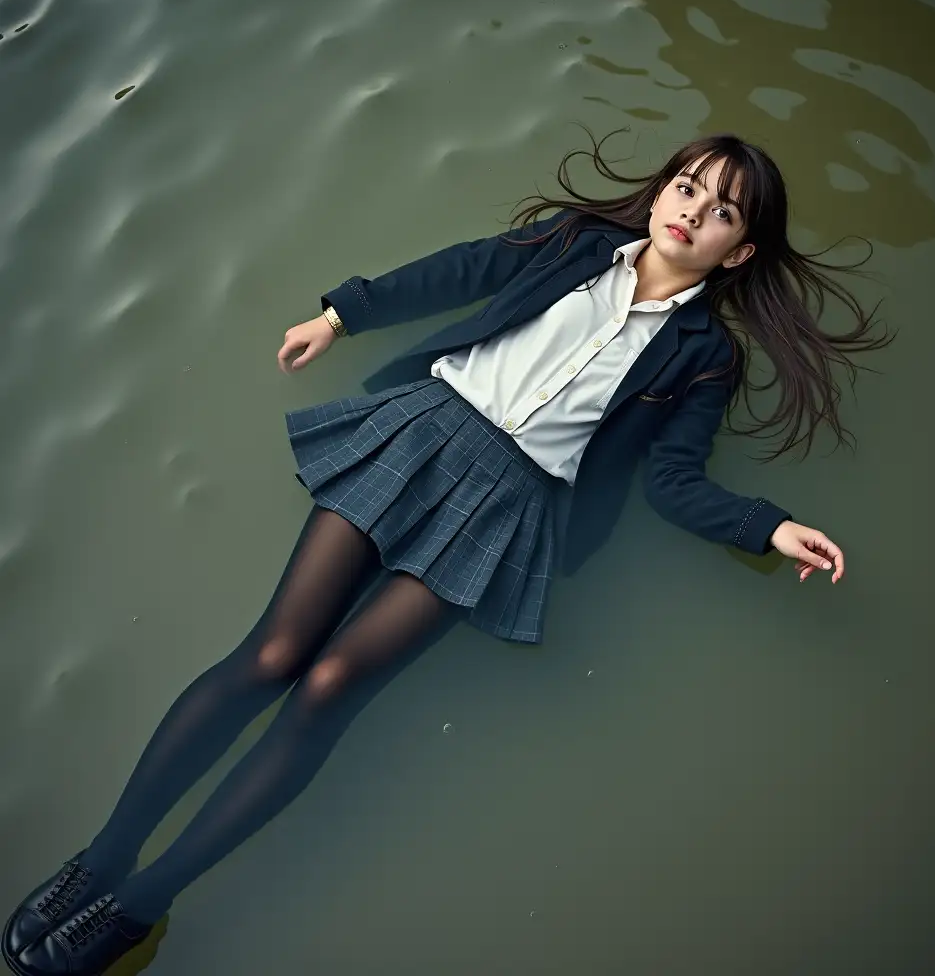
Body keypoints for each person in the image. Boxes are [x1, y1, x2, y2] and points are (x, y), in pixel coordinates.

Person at [2, 130, 888, 976]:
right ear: (663, 190)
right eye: (687, 186)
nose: (692, 211)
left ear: (739, 253)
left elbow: (672, 478)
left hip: (511, 506)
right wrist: (341, 315)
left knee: (328, 687)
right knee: (274, 653)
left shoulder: (706, 355)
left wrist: (763, 526)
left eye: (723, 212)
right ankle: (103, 858)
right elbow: (464, 269)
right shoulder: (576, 242)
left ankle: (140, 902)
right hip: (422, 433)